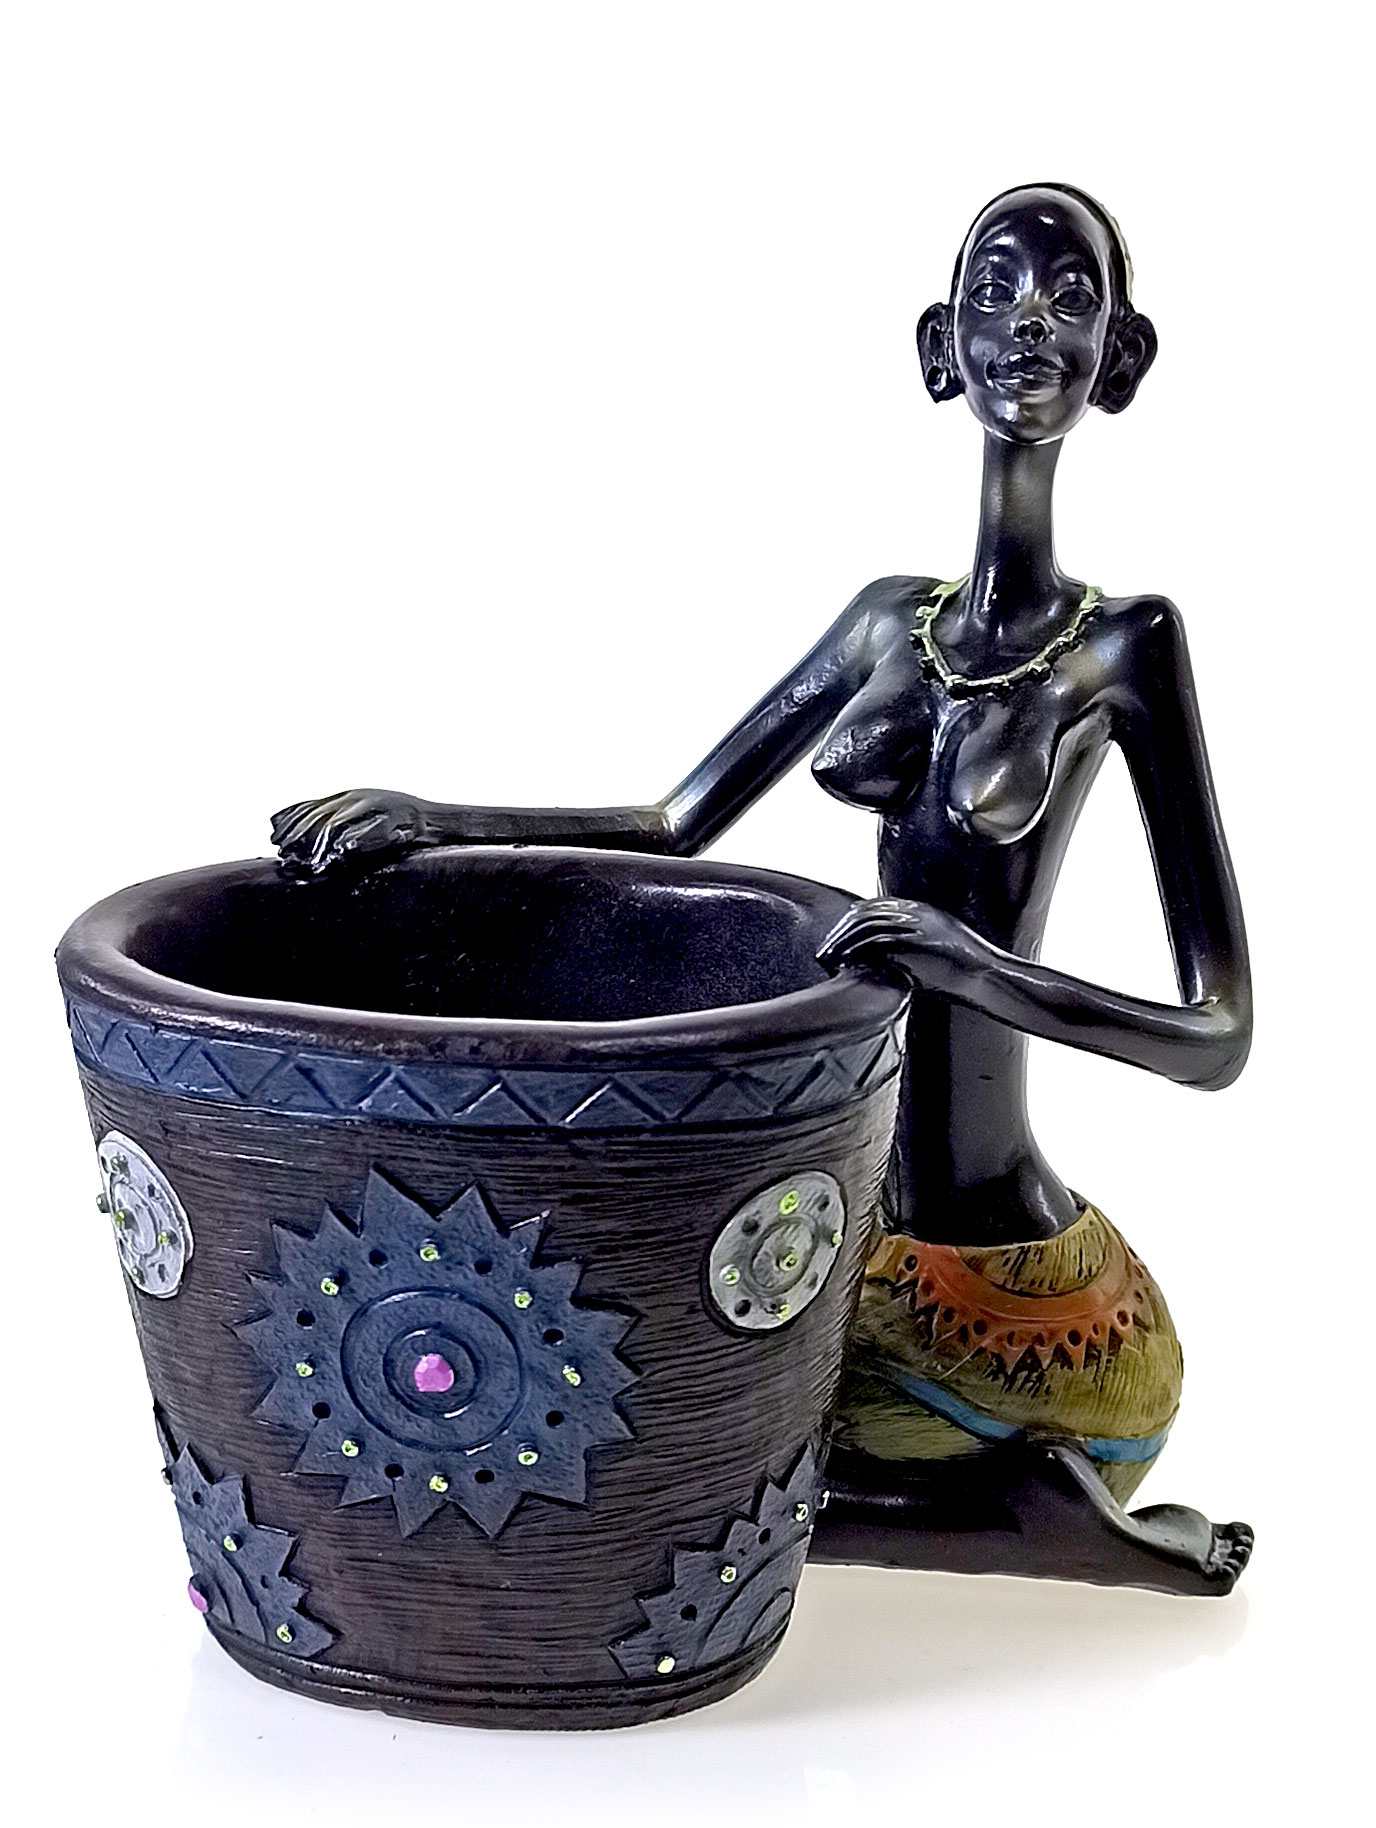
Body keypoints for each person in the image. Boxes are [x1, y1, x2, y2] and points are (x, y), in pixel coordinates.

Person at [273, 185, 1254, 1593]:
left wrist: (966, 963)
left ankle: (1060, 1522)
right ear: (940, 346)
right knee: (665, 1458)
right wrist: (436, 821)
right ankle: (1013, 1521)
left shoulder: (1126, 646)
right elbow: (676, 826)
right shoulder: (888, 620)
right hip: (865, 1246)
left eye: (1071, 300)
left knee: (709, 1489)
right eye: (995, 294)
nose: (1030, 327)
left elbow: (1217, 1036)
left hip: (1025, 1300)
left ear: (1125, 355)